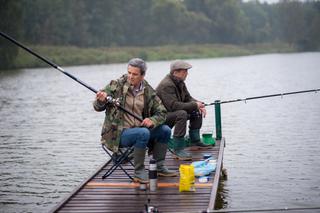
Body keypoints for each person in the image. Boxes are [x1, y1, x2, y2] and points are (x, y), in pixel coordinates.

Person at [93, 58, 177, 183]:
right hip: (117, 134)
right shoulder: (115, 85)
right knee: (143, 133)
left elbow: (162, 112)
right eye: (129, 73)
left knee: (165, 130)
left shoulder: (147, 90)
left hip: (140, 130)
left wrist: (153, 120)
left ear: (143, 75)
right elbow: (97, 107)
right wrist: (100, 100)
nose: (131, 76)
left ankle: (159, 167)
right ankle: (139, 171)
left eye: (135, 74)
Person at [156, 60, 209, 161]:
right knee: (182, 114)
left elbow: (188, 98)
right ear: (175, 72)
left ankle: (195, 141)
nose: (187, 74)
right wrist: (194, 105)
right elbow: (173, 106)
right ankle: (178, 149)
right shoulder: (167, 85)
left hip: (171, 113)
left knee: (195, 110)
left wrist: (199, 104)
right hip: (160, 117)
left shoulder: (180, 82)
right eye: (184, 71)